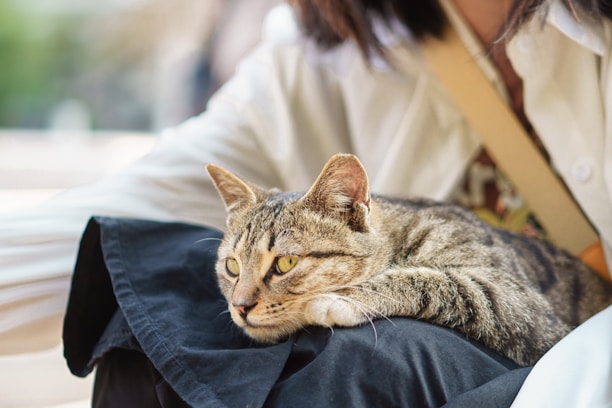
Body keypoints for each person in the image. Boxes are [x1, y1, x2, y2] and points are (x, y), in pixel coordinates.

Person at [1, 0, 611, 406]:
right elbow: (81, 234)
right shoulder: (317, 56)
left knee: (360, 362)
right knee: (150, 295)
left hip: (561, 361)